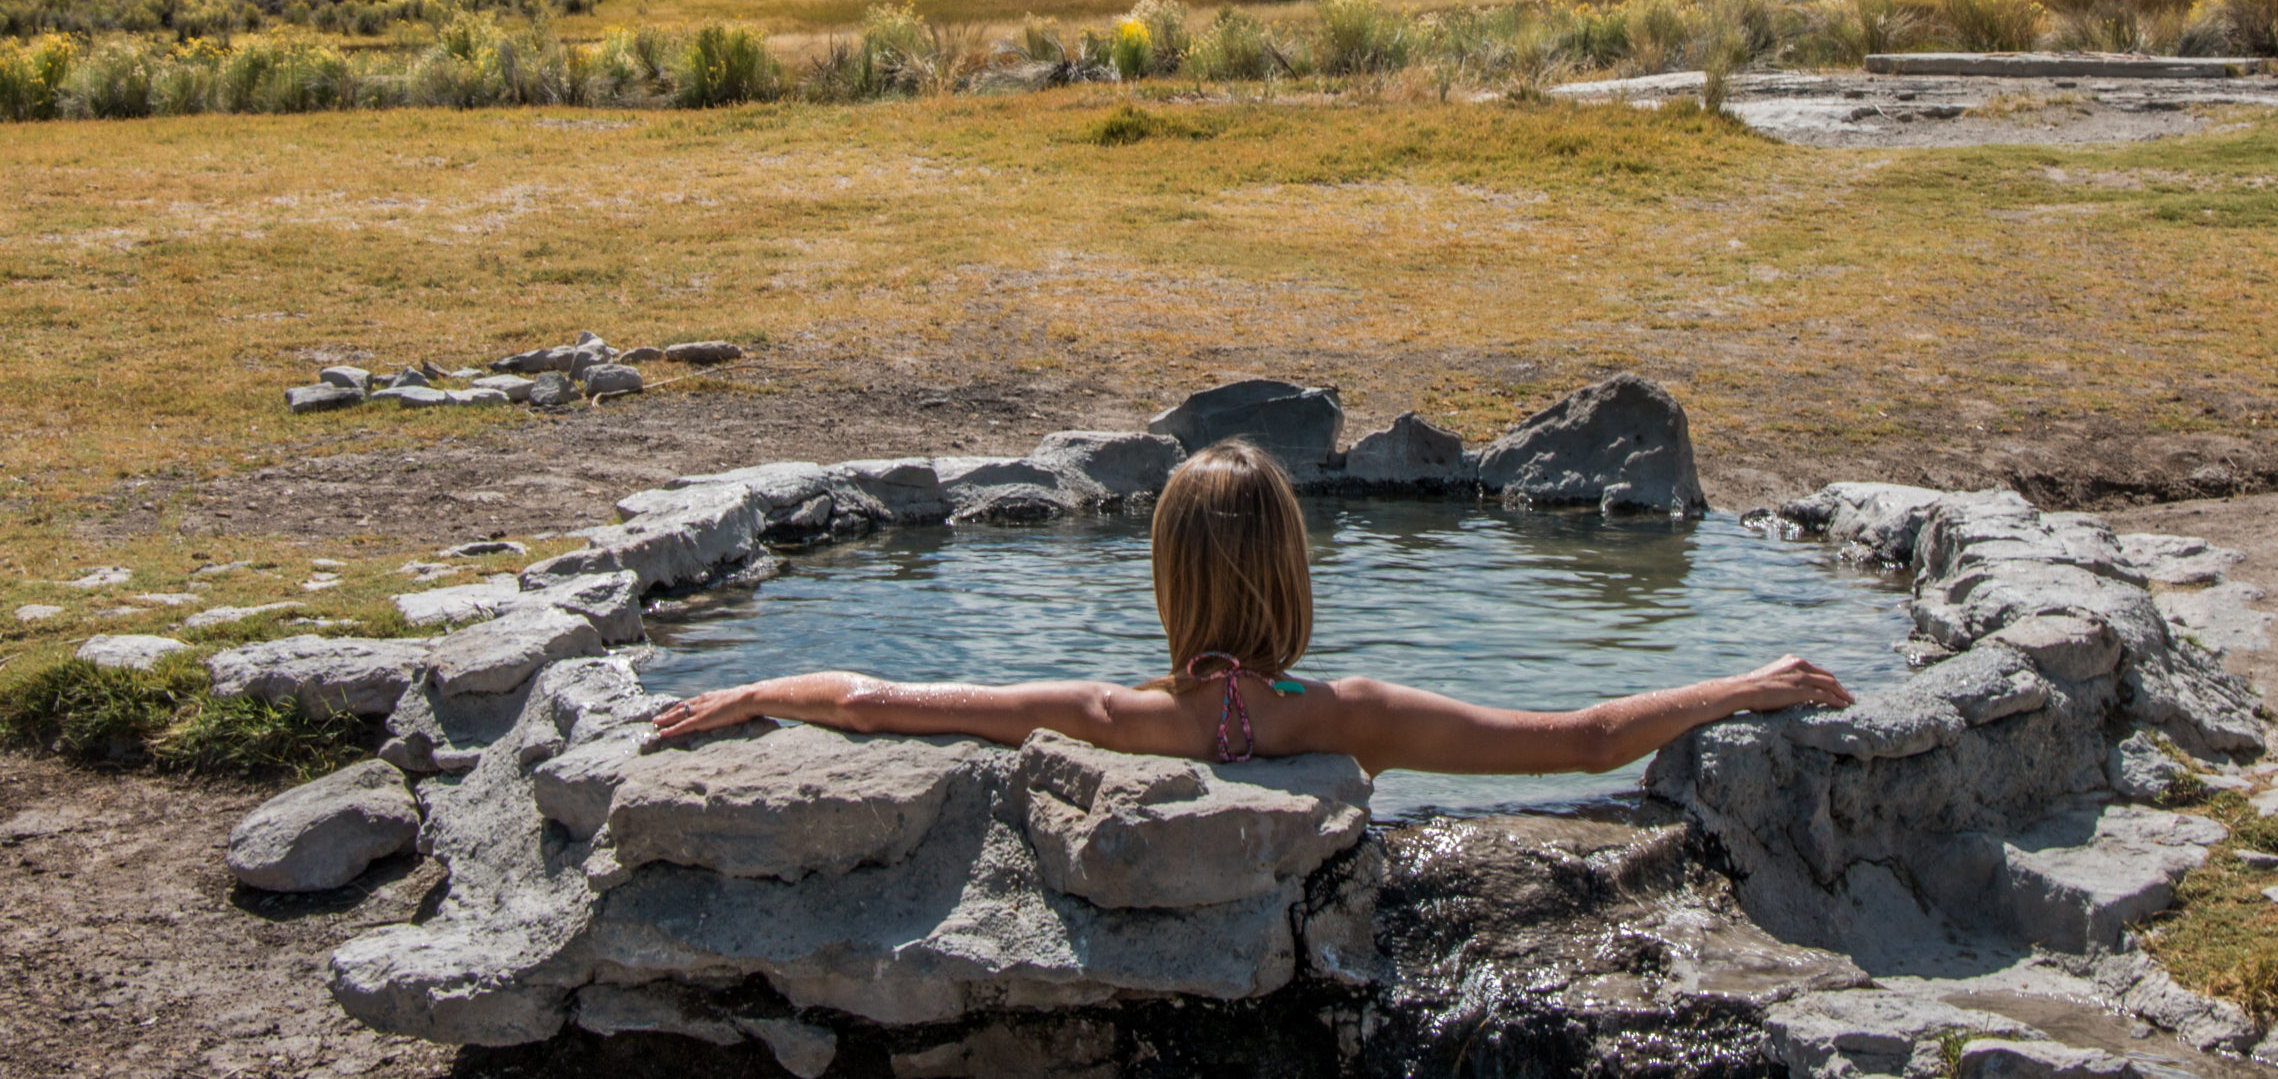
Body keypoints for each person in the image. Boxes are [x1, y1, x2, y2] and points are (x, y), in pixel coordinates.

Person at [653, 438, 1854, 773]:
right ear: (1292, 571)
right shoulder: (1352, 717)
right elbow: (1588, 741)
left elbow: (870, 706)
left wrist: (759, 688)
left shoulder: (1108, 716)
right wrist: (1745, 684)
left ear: (1166, 577)